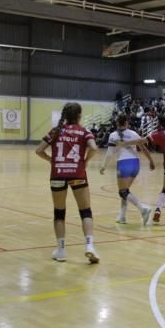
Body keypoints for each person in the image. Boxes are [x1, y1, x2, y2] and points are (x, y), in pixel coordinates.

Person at [35, 102, 99, 263]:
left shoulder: (56, 131)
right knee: (85, 211)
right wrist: (85, 160)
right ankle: (89, 246)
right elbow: (94, 147)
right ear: (79, 115)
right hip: (77, 172)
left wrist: (52, 161)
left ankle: (61, 250)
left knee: (59, 213)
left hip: (57, 174)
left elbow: (38, 150)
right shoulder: (84, 131)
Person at [99, 116, 155, 225]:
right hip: (135, 163)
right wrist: (151, 161)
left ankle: (143, 209)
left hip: (124, 164)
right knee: (125, 191)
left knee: (123, 191)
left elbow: (110, 153)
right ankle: (122, 217)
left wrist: (103, 166)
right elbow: (143, 148)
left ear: (116, 123)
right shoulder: (133, 133)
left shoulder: (113, 135)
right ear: (126, 123)